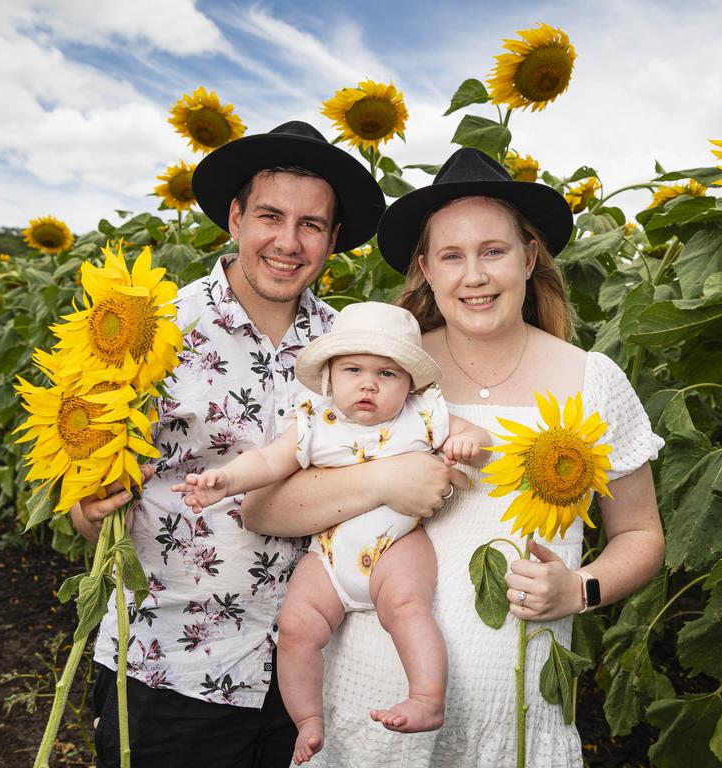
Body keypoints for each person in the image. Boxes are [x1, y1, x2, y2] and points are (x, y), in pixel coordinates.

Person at [240, 147, 665, 768]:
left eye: (493, 251)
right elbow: (266, 507)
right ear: (425, 270)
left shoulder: (591, 380)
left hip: (514, 709)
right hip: (373, 698)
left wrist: (580, 587)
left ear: (529, 256)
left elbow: (641, 532)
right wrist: (385, 479)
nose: (475, 275)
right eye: (451, 256)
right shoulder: (383, 375)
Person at [69, 120, 409, 768]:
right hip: (171, 670)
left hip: (309, 680)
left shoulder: (356, 351)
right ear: (234, 217)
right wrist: (87, 511)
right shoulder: (154, 331)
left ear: (334, 239)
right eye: (270, 216)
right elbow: (91, 498)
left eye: (311, 224)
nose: (288, 242)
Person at [171, 301, 492, 764]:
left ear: (409, 384)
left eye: (387, 374)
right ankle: (307, 719)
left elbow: (477, 437)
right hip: (328, 555)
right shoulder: (314, 421)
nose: (368, 383)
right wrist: (226, 482)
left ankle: (427, 697)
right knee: (298, 628)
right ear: (329, 378)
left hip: (397, 545)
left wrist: (467, 444)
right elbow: (266, 463)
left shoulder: (422, 416)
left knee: (406, 606)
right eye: (354, 369)